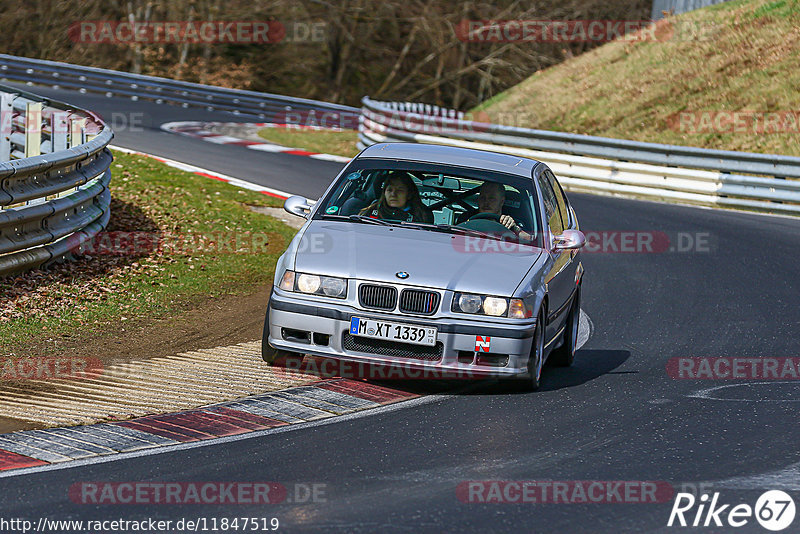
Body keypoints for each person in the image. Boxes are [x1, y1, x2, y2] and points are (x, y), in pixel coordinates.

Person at [464, 181, 533, 240]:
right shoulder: (465, 218)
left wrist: (514, 228)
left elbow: (531, 241)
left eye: (492, 199)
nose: (486, 202)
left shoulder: (509, 223)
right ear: (478, 200)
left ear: (502, 201)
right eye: (483, 198)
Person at [359, 173, 434, 223]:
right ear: (384, 192)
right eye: (389, 190)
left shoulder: (422, 215)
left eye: (400, 190)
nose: (393, 194)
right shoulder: (371, 212)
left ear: (409, 194)